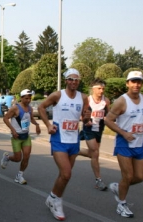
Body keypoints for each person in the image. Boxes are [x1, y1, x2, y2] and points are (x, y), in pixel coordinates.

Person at [38, 68, 90, 221]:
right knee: (67, 173)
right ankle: (57, 202)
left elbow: (85, 119)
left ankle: (52, 197)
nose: (73, 82)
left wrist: (87, 119)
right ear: (66, 80)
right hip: (59, 138)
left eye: (76, 79)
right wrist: (48, 124)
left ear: (79, 81)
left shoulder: (84, 97)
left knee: (64, 175)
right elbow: (41, 107)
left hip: (74, 140)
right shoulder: (58, 95)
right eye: (70, 79)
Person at [105, 71, 143, 218]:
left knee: (140, 177)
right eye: (133, 81)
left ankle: (119, 187)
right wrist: (123, 133)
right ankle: (121, 204)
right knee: (128, 176)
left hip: (139, 142)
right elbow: (108, 120)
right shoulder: (121, 101)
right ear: (127, 83)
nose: (136, 84)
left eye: (139, 82)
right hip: (124, 143)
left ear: (142, 84)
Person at [1, 89, 40, 185]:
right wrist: (13, 130)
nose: (28, 100)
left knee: (26, 157)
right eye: (26, 98)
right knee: (18, 158)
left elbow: (30, 118)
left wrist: (37, 125)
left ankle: (19, 176)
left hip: (26, 136)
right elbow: (5, 118)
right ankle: (7, 158)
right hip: (16, 137)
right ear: (21, 98)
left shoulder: (30, 108)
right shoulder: (15, 108)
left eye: (30, 98)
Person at [78, 78, 110, 191]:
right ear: (93, 89)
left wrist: (107, 119)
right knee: (95, 153)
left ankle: (75, 150)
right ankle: (98, 180)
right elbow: (81, 115)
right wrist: (86, 120)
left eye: (103, 89)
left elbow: (108, 114)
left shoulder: (106, 101)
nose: (101, 91)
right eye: (99, 88)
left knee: (93, 154)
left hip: (99, 130)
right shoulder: (87, 100)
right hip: (88, 129)